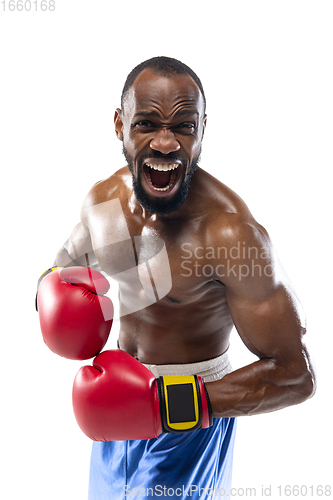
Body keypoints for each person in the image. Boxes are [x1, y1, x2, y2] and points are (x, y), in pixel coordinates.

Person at [37, 57, 316, 499]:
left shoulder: (229, 234)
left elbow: (296, 374)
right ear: (119, 124)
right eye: (147, 123)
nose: (165, 143)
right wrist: (50, 295)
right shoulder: (103, 202)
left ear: (202, 129)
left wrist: (164, 406)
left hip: (190, 427)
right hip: (111, 412)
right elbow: (61, 264)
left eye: (183, 126)